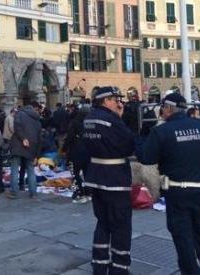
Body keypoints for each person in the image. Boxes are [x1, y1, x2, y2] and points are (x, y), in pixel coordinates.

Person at [136, 93, 200, 275]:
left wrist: (141, 137)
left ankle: (191, 272)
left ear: (168, 108)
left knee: (182, 236)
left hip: (176, 192)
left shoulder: (162, 131)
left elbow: (146, 157)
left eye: (162, 108)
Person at [81, 86, 135, 274]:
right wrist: (120, 119)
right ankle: (120, 267)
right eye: (114, 99)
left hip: (95, 175)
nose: (118, 103)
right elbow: (129, 144)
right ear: (105, 101)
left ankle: (99, 264)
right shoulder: (111, 120)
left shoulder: (88, 118)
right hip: (115, 179)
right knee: (121, 225)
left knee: (102, 222)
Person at [7, 105, 42, 199]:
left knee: (14, 169)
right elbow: (40, 139)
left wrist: (23, 138)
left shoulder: (20, 114)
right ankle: (33, 193)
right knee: (30, 170)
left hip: (18, 146)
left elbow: (17, 127)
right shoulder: (37, 120)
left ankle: (14, 192)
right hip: (31, 148)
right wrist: (37, 155)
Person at [62, 108, 90, 204]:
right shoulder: (90, 124)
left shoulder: (74, 123)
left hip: (76, 152)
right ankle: (88, 192)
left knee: (75, 173)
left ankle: (79, 192)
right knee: (87, 173)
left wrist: (64, 149)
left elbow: (69, 138)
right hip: (88, 152)